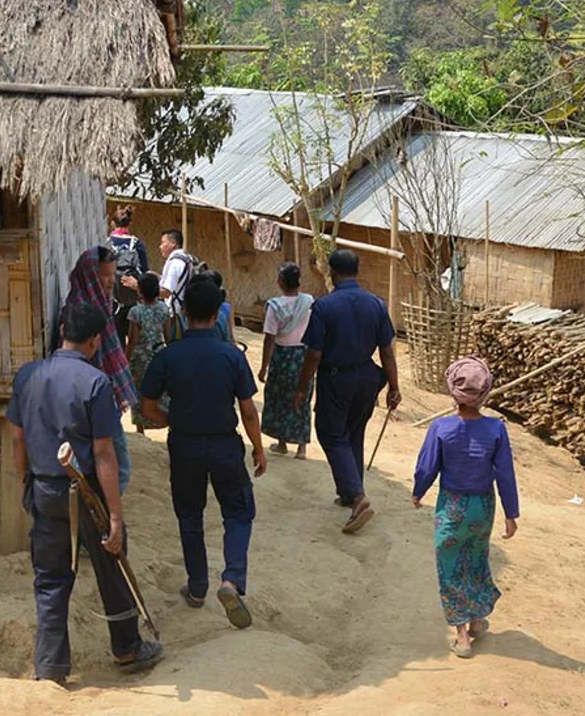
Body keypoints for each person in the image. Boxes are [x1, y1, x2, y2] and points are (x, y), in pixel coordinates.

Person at [7, 303, 164, 683]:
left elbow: (16, 436)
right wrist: (114, 515)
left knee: (50, 579)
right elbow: (103, 453)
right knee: (112, 564)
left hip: (44, 486)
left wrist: (25, 480)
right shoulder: (95, 383)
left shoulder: (28, 375)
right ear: (95, 341)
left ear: (62, 330)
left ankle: (50, 665)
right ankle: (127, 648)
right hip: (86, 491)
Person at [140, 277, 267, 630]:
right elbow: (248, 410)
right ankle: (231, 580)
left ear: (183, 312)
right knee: (239, 513)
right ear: (217, 313)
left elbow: (147, 406)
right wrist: (258, 448)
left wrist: (174, 421)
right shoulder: (231, 356)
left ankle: (197, 588)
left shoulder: (168, 356)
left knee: (189, 515)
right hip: (225, 445)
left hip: (184, 445)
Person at [412, 358, 519, 659]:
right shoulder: (496, 429)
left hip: (452, 507)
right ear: (485, 394)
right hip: (483, 508)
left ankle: (462, 636)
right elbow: (505, 474)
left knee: (450, 566)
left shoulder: (441, 428)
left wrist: (418, 492)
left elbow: (427, 467)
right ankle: (477, 619)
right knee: (475, 560)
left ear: (452, 392)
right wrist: (511, 514)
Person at [296, 249, 400, 535]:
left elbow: (314, 354)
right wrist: (394, 387)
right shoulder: (376, 304)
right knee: (354, 432)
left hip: (336, 377)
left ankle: (357, 497)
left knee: (331, 434)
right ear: (358, 271)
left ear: (331, 272)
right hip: (367, 377)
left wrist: (302, 388)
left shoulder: (324, 307)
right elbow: (387, 352)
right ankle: (349, 491)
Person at [63, 246, 138, 493]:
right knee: (118, 467)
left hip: (100, 396)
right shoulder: (80, 310)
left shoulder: (100, 303)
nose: (109, 282)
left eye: (112, 275)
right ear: (90, 275)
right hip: (89, 399)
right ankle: (104, 516)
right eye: (104, 276)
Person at [258, 263, 315, 459]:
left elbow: (269, 338)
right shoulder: (309, 303)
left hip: (282, 356)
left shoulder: (275, 306)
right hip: (304, 356)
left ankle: (282, 443)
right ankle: (301, 448)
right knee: (302, 397)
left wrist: (264, 367)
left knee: (279, 397)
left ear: (280, 282)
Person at [124, 273, 168, 435]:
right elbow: (168, 336)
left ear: (139, 291)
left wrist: (126, 361)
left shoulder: (136, 312)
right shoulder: (164, 309)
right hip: (159, 354)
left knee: (139, 393)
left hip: (140, 358)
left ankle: (140, 429)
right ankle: (164, 420)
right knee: (161, 391)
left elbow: (132, 341)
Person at [108, 206, 149, 335]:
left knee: (115, 333)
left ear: (112, 223)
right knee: (133, 332)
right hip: (132, 293)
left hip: (112, 295)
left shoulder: (107, 243)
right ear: (129, 223)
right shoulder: (136, 243)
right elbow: (145, 269)